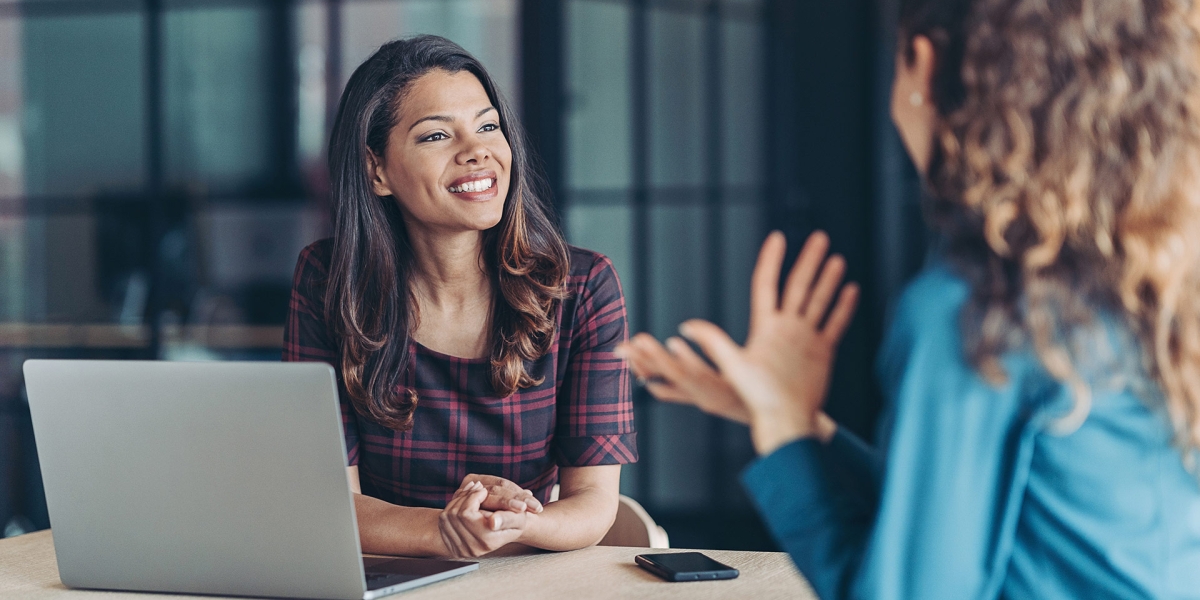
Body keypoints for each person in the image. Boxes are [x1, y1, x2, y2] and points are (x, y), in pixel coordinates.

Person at [620, 0, 1200, 597]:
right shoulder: (1149, 279)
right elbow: (974, 518)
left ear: (922, 64)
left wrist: (788, 438)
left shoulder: (979, 309)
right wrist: (795, 424)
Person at [283, 35, 636, 559]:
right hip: (388, 577)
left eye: (488, 126)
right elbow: (330, 500)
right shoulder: (327, 281)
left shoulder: (582, 286)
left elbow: (593, 501)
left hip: (525, 575)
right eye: (436, 136)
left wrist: (511, 521)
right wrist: (445, 530)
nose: (477, 151)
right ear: (376, 169)